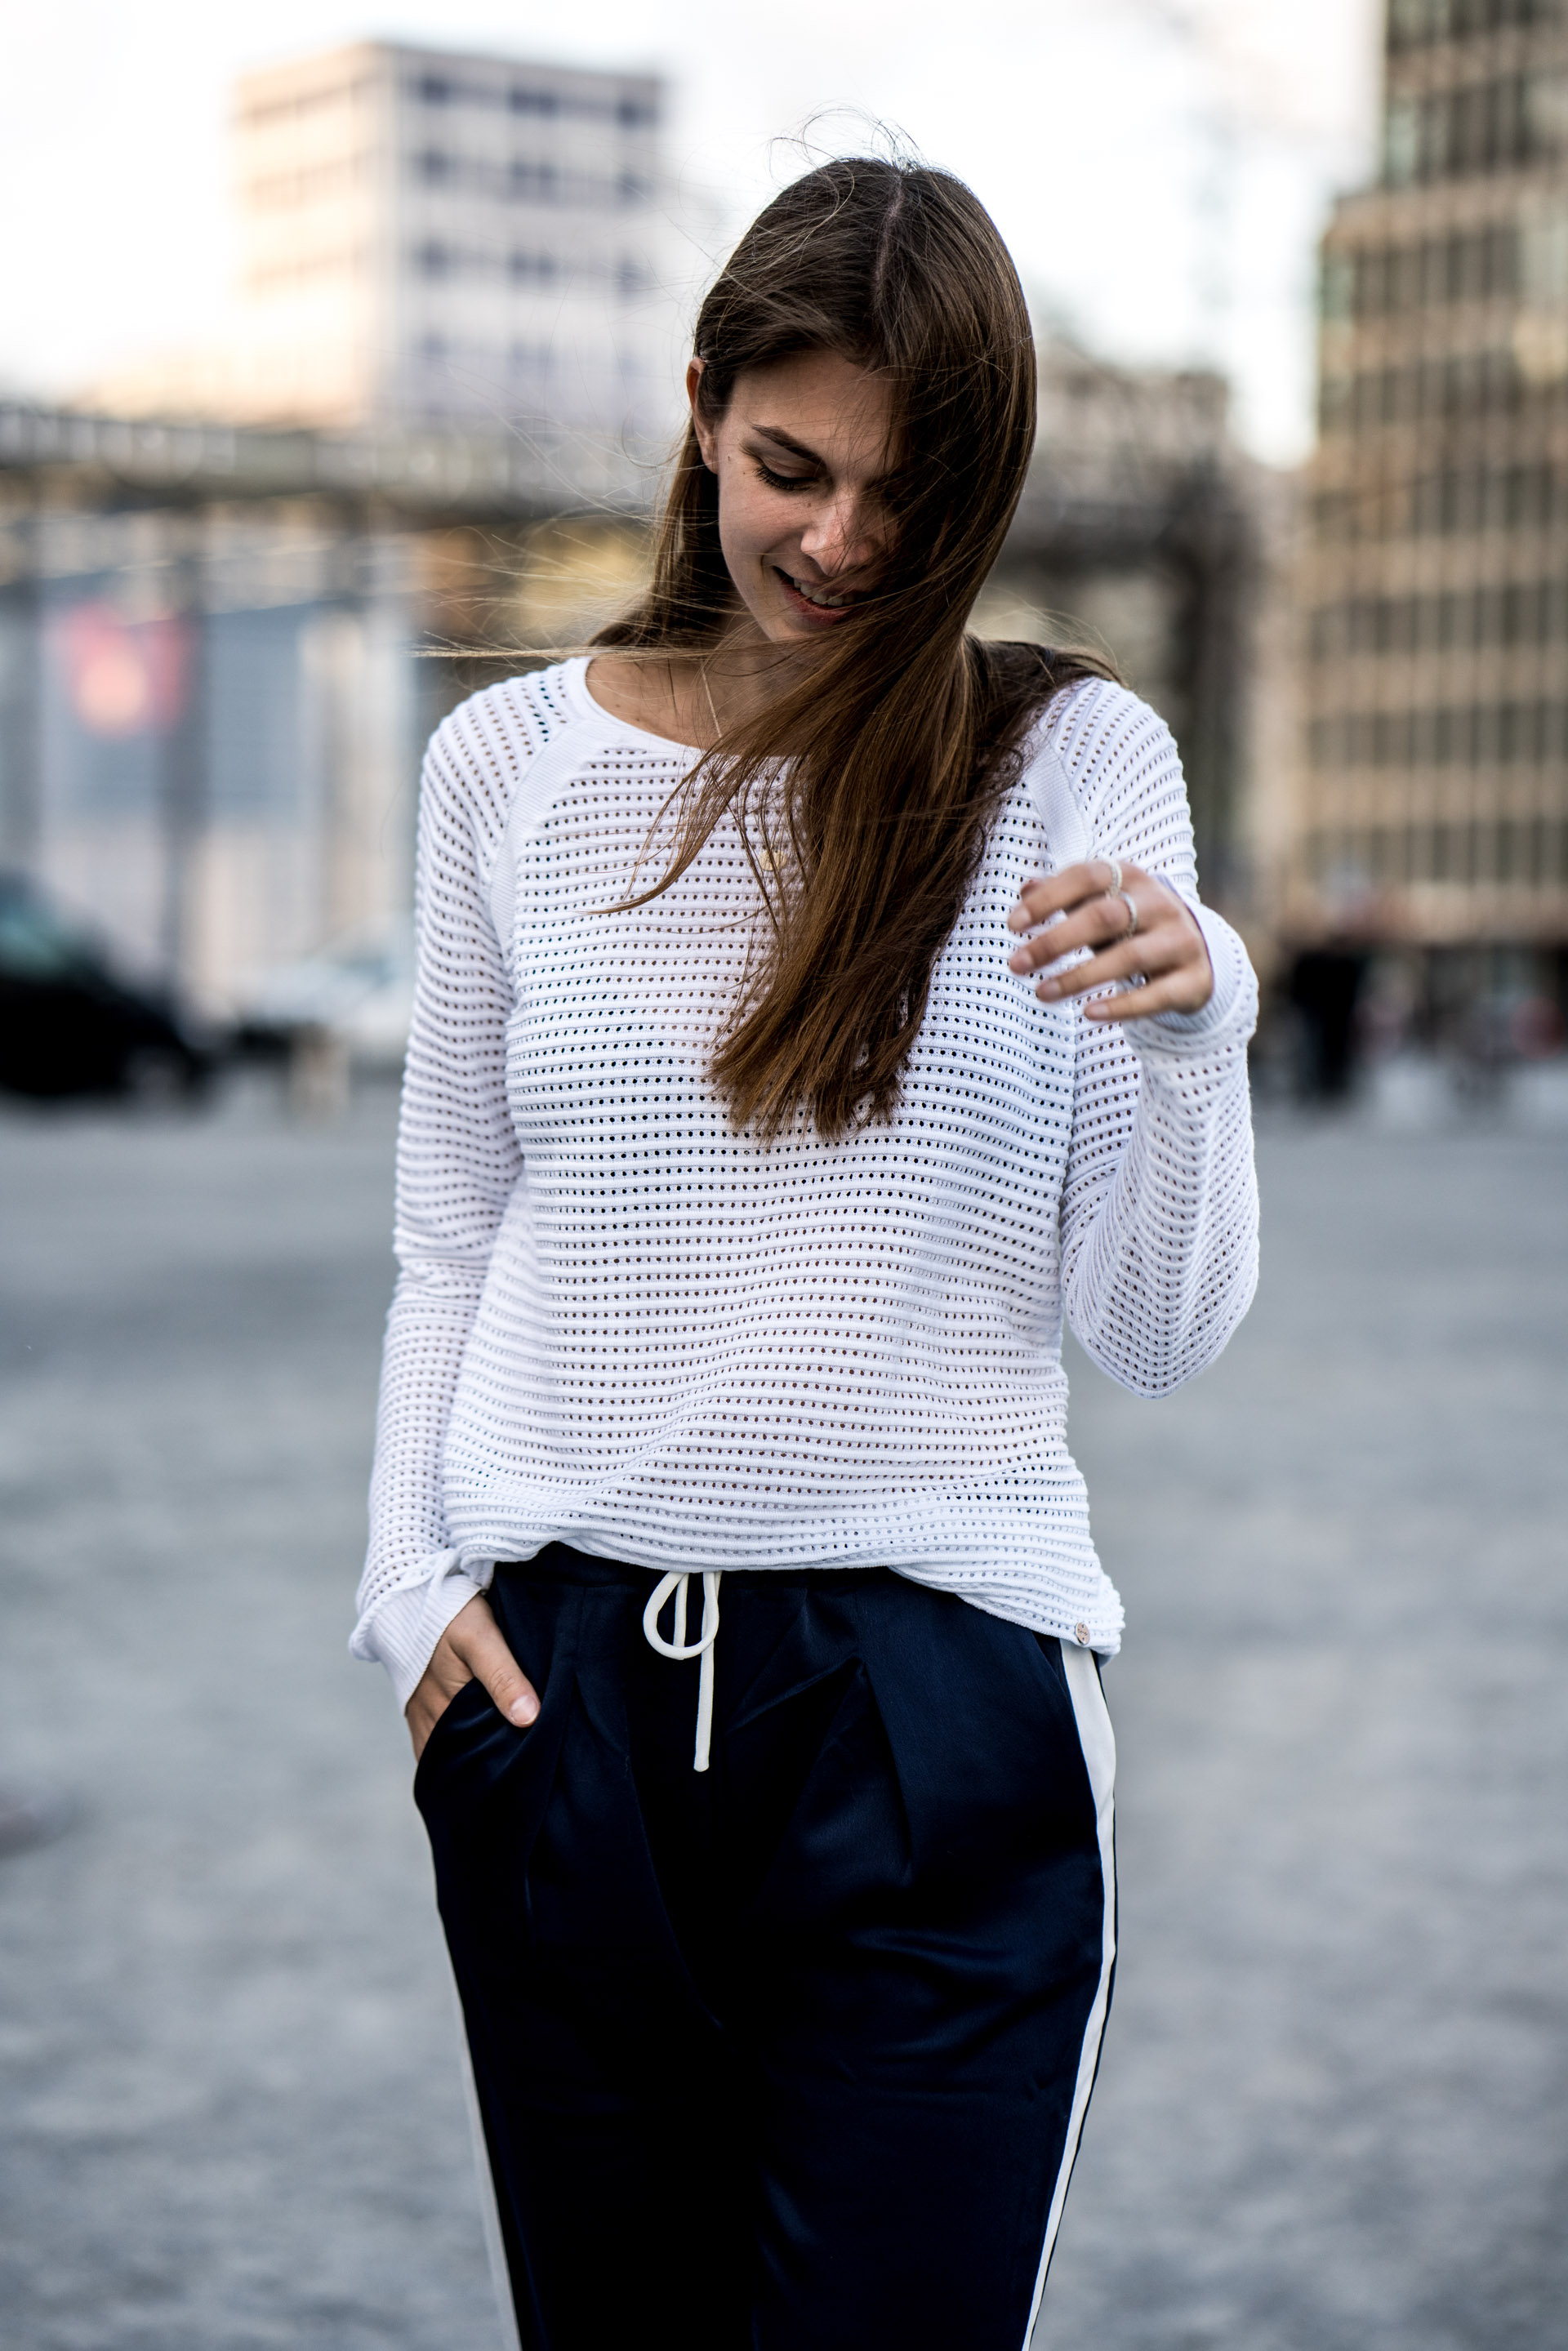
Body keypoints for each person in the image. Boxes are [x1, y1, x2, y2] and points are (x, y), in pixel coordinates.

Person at [354, 155, 1259, 2351]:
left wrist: (1194, 1018)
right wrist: (409, 1604)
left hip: (933, 1714)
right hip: (561, 1710)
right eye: (792, 467)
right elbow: (450, 1237)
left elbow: (1160, 1332)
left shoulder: (1072, 762)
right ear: (700, 412)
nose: (842, 540)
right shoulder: (505, 770)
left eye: (906, 491)